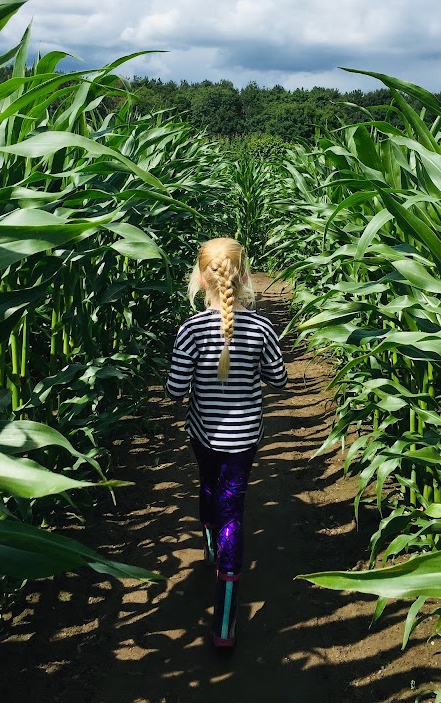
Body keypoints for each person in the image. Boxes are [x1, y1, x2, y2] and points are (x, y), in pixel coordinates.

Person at [165, 237, 288, 648]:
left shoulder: (191, 330)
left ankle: (211, 549)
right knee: (232, 510)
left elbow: (174, 390)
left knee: (207, 485)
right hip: (245, 437)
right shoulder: (261, 328)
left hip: (203, 434)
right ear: (245, 275)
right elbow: (278, 379)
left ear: (201, 279)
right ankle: (224, 625)